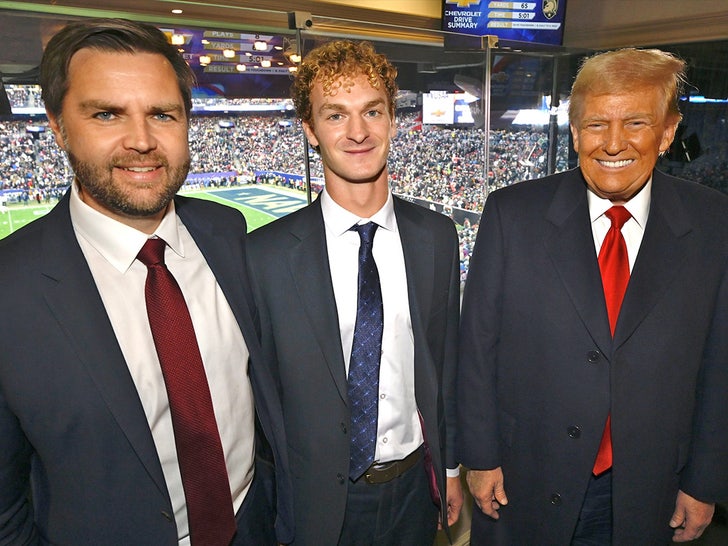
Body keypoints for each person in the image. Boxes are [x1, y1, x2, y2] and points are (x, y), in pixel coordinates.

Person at [0, 18, 293, 545]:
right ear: (58, 126)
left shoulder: (226, 231)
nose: (141, 140)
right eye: (106, 113)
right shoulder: (11, 286)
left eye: (162, 114)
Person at [458, 48, 728, 545]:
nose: (614, 143)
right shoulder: (511, 215)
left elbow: (720, 366)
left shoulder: (714, 223)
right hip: (525, 478)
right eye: (597, 124)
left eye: (637, 122)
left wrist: (705, 480)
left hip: (653, 491)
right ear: (576, 131)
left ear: (668, 132)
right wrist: (479, 456)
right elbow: (476, 349)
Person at [246, 40, 463, 545]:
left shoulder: (436, 236)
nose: (358, 131)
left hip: (414, 489)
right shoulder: (264, 255)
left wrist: (448, 467)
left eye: (372, 111)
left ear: (392, 120)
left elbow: (444, 362)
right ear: (310, 130)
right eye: (335, 115)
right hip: (315, 499)